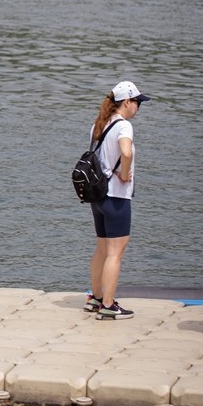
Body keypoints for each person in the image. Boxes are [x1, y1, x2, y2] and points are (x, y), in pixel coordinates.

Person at [83, 81, 148, 320]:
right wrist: (123, 173)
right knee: (115, 253)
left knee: (101, 249)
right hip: (117, 196)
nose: (138, 107)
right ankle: (109, 306)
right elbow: (126, 152)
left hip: (98, 197)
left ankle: (96, 298)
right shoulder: (124, 126)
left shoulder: (98, 125)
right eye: (137, 102)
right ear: (127, 102)